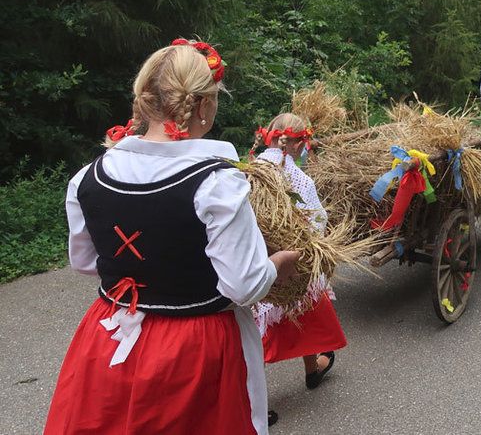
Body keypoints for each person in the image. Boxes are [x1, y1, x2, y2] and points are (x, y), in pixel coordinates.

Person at [44, 40, 299, 435]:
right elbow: (243, 284)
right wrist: (278, 266)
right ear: (202, 106)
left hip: (109, 336)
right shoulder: (217, 182)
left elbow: (83, 262)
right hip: (194, 347)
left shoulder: (88, 177)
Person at [250, 113, 346, 393]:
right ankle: (265, 392)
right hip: (291, 264)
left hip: (258, 259)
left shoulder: (251, 169)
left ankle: (309, 369)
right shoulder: (300, 179)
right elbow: (317, 221)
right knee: (304, 304)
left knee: (261, 322)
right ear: (297, 143)